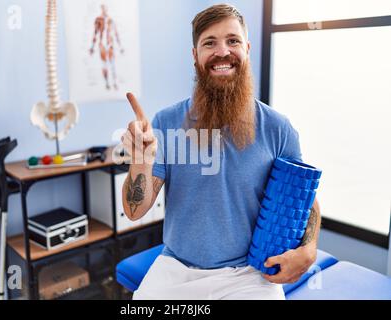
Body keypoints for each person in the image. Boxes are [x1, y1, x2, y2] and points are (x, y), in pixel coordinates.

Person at [120, 4, 321, 300]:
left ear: (248, 49)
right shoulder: (165, 123)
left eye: (233, 40)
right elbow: (134, 211)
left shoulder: (278, 128)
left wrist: (310, 249)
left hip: (249, 275)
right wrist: (140, 161)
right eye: (209, 43)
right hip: (176, 269)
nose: (222, 51)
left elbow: (307, 201)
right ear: (195, 56)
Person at [89, 4, 124, 90]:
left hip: (110, 43)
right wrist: (92, 47)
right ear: (101, 9)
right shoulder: (98, 20)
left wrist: (120, 46)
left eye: (106, 8)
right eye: (103, 8)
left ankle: (115, 82)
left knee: (112, 64)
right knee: (104, 64)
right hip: (102, 45)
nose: (104, 10)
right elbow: (95, 33)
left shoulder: (110, 20)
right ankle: (107, 82)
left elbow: (116, 33)